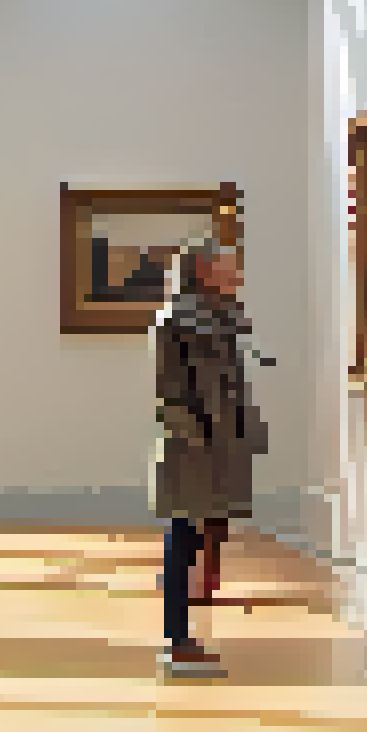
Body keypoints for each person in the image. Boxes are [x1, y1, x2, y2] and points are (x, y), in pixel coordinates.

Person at [152, 239, 269, 679]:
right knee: (181, 537)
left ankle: (185, 629)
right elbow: (170, 393)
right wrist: (199, 438)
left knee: (202, 531)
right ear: (203, 271)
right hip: (191, 451)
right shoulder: (175, 323)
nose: (235, 272)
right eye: (226, 265)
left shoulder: (226, 320)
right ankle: (175, 635)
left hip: (218, 447)